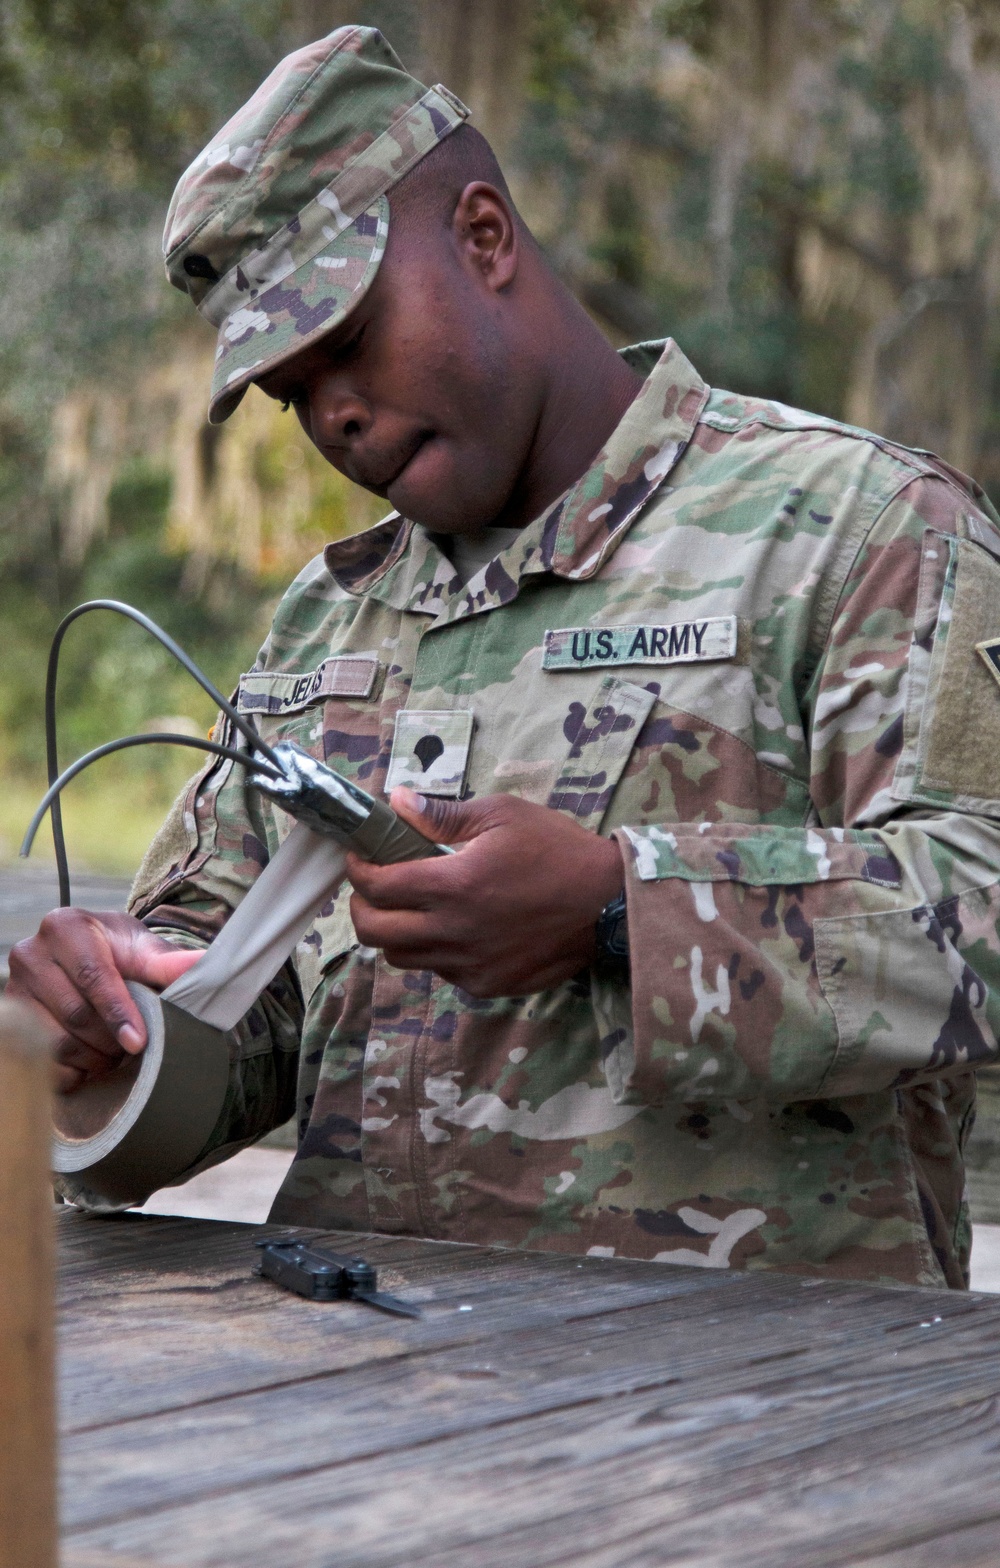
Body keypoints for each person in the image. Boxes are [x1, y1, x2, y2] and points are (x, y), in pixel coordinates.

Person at [11, 25, 1000, 1288]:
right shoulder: (331, 619)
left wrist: (614, 909)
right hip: (376, 1420)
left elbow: (979, 912)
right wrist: (107, 1028)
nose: (334, 415)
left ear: (483, 237)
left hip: (757, 1418)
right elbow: (232, 1005)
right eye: (290, 390)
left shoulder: (858, 532)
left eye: (349, 340)